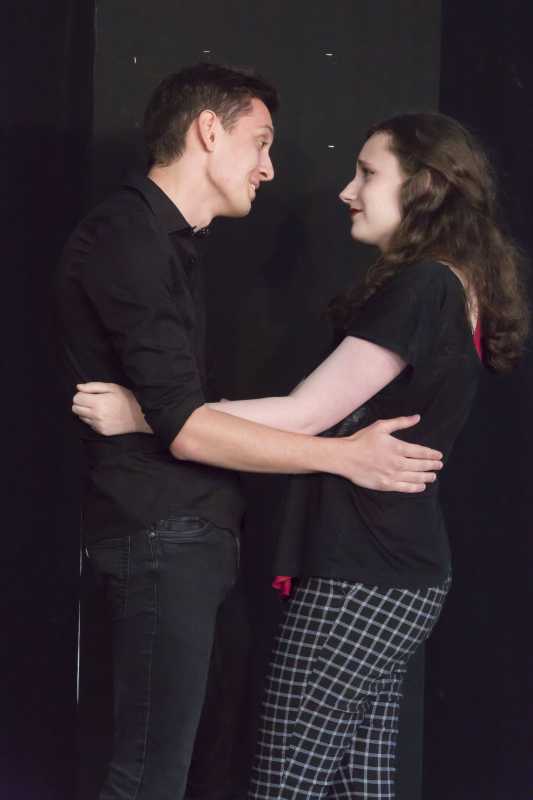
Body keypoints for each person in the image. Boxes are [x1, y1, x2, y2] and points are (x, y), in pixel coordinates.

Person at [74, 111, 528, 799]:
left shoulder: (426, 286)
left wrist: (142, 414)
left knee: (283, 785)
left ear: (426, 186)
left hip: (361, 575)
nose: (348, 191)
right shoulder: (457, 285)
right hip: (399, 574)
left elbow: (305, 415)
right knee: (356, 784)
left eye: (368, 174)